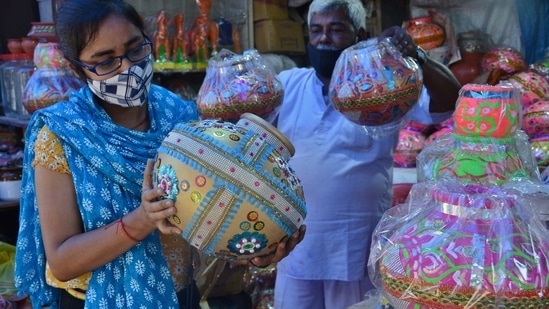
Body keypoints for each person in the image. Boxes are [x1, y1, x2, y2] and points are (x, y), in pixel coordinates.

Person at [13, 0, 305, 308]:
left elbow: (206, 219)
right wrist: (142, 220)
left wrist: (252, 249)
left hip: (180, 297)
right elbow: (62, 261)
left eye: (135, 48)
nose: (127, 68)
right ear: (77, 68)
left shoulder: (180, 117)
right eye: (105, 61)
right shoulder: (62, 133)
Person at [272, 0, 462, 308]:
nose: (323, 39)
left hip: (354, 245)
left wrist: (415, 56)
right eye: (316, 30)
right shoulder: (288, 85)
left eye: (335, 30)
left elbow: (449, 102)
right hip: (296, 246)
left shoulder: (386, 87)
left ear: (358, 35)